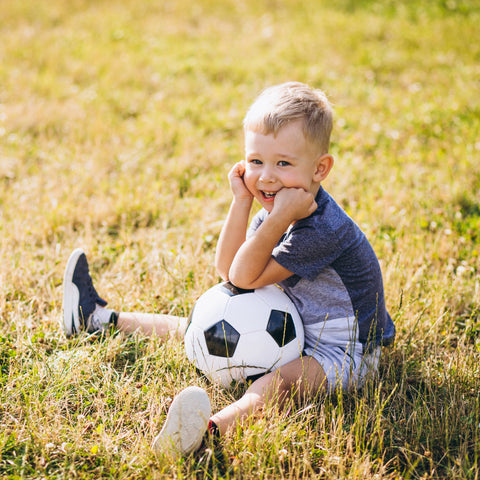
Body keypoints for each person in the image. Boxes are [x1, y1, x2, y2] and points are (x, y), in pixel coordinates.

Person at [62, 81, 395, 458]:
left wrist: (276, 219)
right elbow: (228, 272)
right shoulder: (278, 209)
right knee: (206, 326)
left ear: (320, 169)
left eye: (283, 163)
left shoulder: (320, 228)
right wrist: (241, 202)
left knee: (280, 383)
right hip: (296, 322)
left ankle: (205, 434)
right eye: (256, 162)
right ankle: (97, 318)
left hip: (345, 351)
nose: (266, 177)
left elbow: (243, 277)